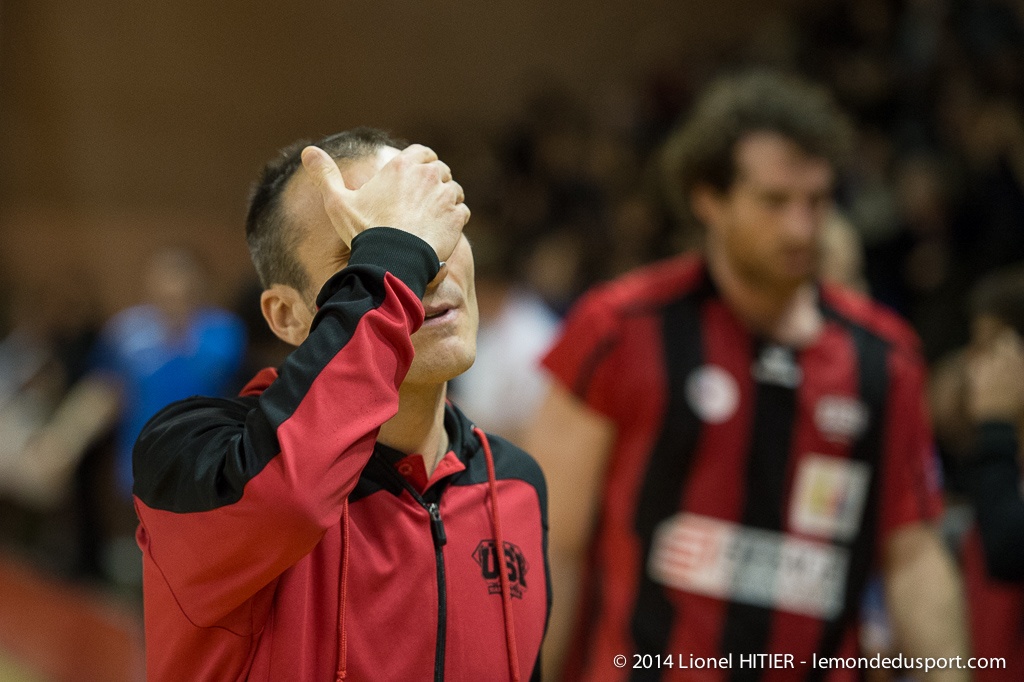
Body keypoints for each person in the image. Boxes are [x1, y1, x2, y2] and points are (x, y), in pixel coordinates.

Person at [526, 70, 969, 681]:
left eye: (816, 201)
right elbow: (551, 540)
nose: (800, 227)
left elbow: (914, 555)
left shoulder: (885, 358)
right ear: (709, 199)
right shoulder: (620, 328)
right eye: (774, 201)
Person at [131, 128, 549, 681]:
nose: (431, 265)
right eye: (370, 247)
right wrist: (395, 250)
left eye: (438, 229)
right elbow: (291, 497)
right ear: (287, 316)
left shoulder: (516, 484)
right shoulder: (193, 452)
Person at [963, 266, 1024, 581]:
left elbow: (1007, 548)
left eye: (987, 350)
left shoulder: (997, 443)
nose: (972, 365)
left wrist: (997, 425)